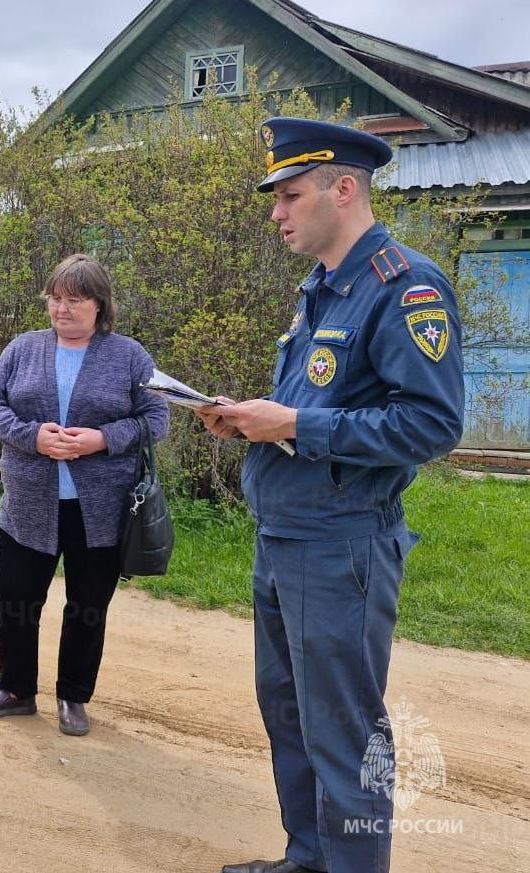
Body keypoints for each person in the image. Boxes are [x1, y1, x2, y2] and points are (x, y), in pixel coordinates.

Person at [198, 118, 465, 873]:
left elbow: (432, 423)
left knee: (344, 735)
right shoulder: (321, 290)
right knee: (290, 717)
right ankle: (310, 858)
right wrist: (255, 420)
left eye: (289, 195)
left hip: (342, 544)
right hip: (284, 535)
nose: (277, 213)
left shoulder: (403, 286)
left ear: (343, 189)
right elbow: (312, 411)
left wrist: (297, 423)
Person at [0, 254, 168, 736]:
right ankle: (15, 689)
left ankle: (73, 697)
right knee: (15, 598)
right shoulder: (22, 349)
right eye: (55, 299)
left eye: (74, 300)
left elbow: (157, 419)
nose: (62, 309)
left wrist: (102, 439)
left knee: (87, 605)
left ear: (100, 305)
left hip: (101, 509)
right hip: (28, 503)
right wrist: (31, 436)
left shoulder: (129, 356)